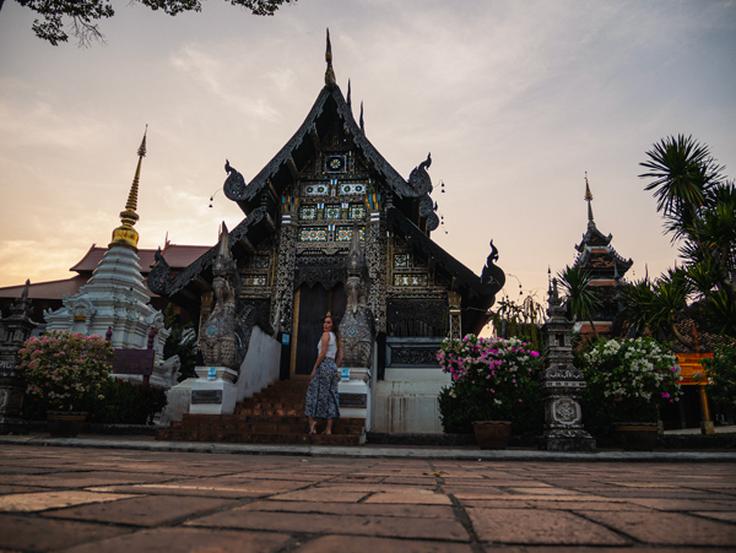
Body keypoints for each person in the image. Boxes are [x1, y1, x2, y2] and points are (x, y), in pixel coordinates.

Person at [304, 312, 342, 434]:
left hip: (324, 365)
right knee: (331, 396)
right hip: (332, 367)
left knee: (312, 393)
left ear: (333, 325)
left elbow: (323, 352)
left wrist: (315, 368)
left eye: (328, 322)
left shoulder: (326, 335)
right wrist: (334, 367)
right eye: (325, 322)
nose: (325, 325)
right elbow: (341, 356)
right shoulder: (338, 338)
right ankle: (328, 429)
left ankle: (313, 423)